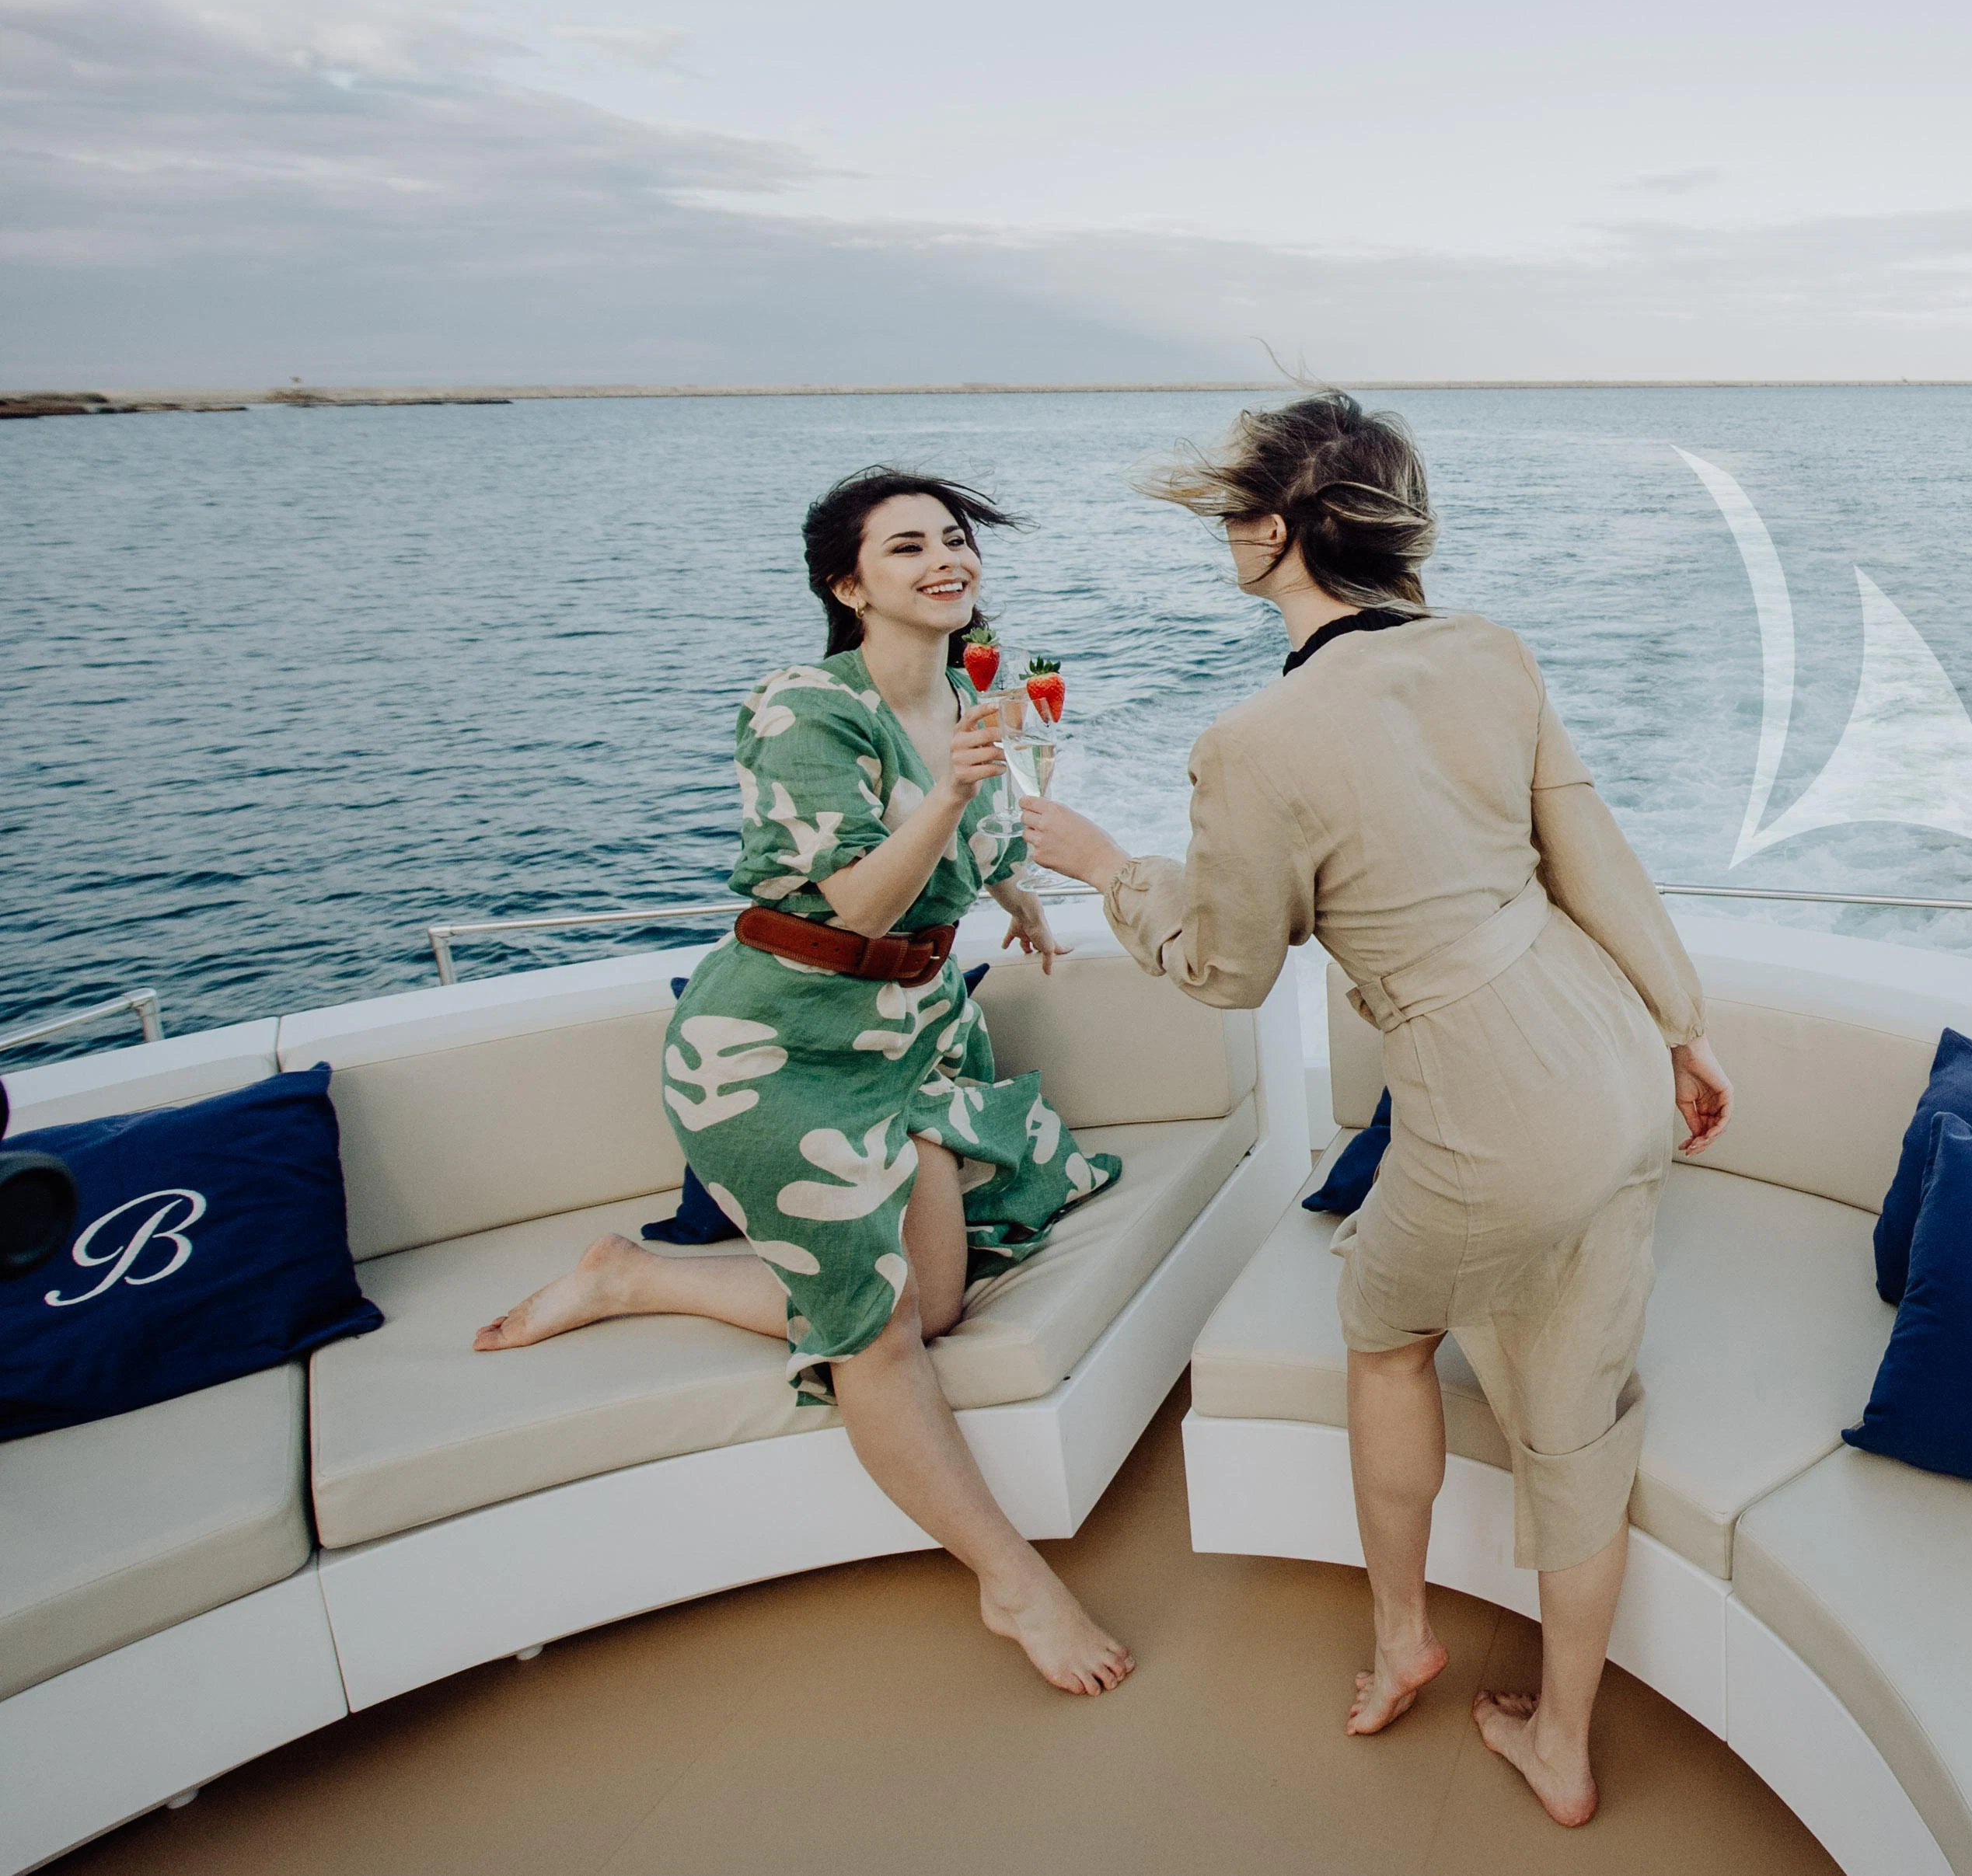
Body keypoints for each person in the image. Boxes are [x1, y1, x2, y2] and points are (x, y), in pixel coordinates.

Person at [1021, 392, 1729, 1825]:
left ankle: (1405, 1635)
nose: (1226, 532)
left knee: (1384, 1332)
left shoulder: (1253, 741)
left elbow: (1226, 969)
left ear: (1278, 533)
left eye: (1237, 511)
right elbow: (1594, 853)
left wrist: (1109, 865)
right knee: (1578, 1415)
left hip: (1487, 1091)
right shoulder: (1490, 652)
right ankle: (1564, 1742)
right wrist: (1681, 1028)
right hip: (1603, 1048)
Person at [475, 468, 1135, 1696]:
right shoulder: (803, 710)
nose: (945, 560)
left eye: (953, 539)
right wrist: (947, 798)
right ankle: (1012, 1579)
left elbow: (977, 834)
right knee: (880, 1330)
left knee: (933, 1302)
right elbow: (855, 897)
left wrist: (1012, 888)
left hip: (911, 1038)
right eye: (906, 548)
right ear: (848, 583)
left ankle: (634, 1271)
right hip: (774, 1050)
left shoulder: (977, 684)